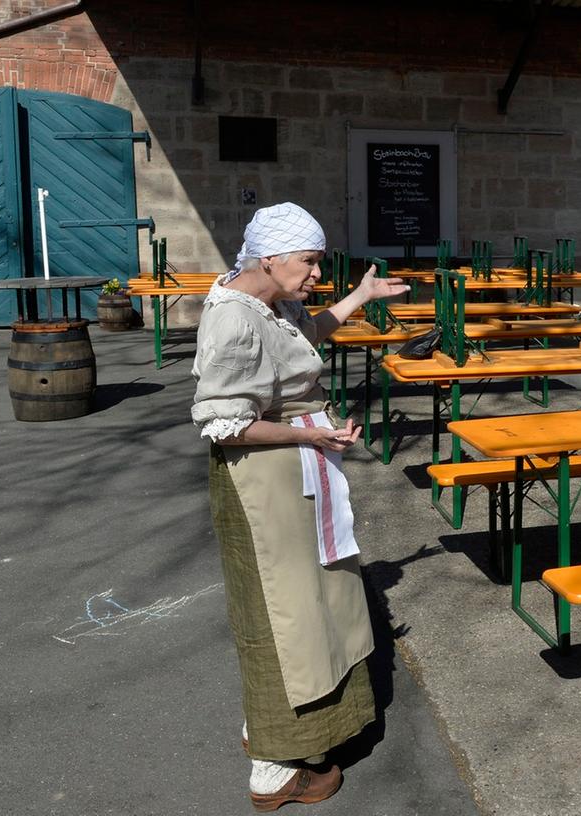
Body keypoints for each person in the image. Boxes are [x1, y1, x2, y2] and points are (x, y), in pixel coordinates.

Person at [190, 202, 410, 810]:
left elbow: (302, 339)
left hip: (294, 470)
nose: (318, 273)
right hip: (263, 483)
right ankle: (272, 767)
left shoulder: (268, 301)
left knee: (315, 607)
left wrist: (359, 297)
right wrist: (310, 435)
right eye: (310, 261)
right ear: (271, 256)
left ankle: (275, 727)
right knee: (279, 616)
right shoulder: (234, 319)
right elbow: (226, 424)